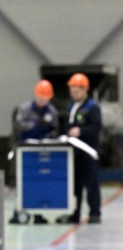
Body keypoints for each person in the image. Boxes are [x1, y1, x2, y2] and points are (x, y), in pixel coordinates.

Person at [10, 79, 59, 224]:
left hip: (42, 150)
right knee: (23, 181)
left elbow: (55, 130)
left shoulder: (52, 112)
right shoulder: (24, 109)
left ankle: (38, 213)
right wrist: (35, 126)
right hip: (25, 151)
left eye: (45, 98)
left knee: (39, 182)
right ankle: (18, 211)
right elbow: (19, 126)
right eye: (40, 97)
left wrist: (47, 136)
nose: (42, 100)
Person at [61, 72, 102, 224]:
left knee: (91, 183)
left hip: (87, 151)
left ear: (85, 90)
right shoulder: (71, 107)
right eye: (72, 90)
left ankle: (95, 213)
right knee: (74, 184)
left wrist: (81, 131)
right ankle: (75, 213)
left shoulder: (92, 108)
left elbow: (96, 127)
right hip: (73, 152)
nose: (74, 93)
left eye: (77, 91)